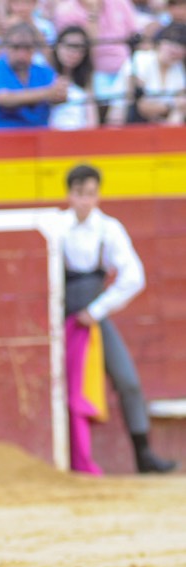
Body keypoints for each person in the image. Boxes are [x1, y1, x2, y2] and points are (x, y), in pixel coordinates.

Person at [61, 163, 176, 475]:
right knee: (62, 390)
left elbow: (134, 277)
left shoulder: (107, 228)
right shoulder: (55, 227)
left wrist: (95, 311)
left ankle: (143, 455)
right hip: (58, 326)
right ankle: (70, 459)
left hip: (91, 321)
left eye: (91, 194)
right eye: (79, 193)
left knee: (128, 381)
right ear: (69, 194)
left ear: (98, 195)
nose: (85, 201)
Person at [0, 21, 68, 127]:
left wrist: (58, 92)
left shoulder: (43, 72)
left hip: (33, 139)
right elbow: (4, 99)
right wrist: (47, 93)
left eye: (27, 48)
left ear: (34, 49)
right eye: (16, 47)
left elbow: (61, 94)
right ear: (6, 48)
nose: (21, 54)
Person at [53, 0, 140, 103]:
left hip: (124, 67)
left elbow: (136, 36)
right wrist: (93, 14)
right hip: (90, 72)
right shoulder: (65, 11)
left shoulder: (120, 3)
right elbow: (84, 48)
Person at [106, 21, 186, 125]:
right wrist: (173, 105)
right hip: (127, 121)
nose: (176, 50)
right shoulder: (140, 59)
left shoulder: (178, 69)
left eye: (182, 46)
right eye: (172, 43)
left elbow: (181, 107)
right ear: (159, 42)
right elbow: (142, 107)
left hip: (160, 125)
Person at [48, 25, 99, 128]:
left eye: (80, 49)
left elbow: (92, 120)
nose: (73, 53)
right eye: (69, 46)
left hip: (81, 137)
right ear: (57, 46)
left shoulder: (86, 80)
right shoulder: (46, 75)